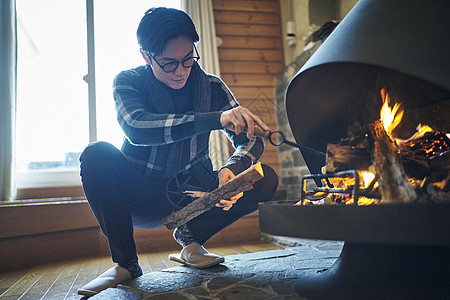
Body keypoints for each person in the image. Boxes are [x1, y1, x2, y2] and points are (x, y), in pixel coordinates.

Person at [77, 7, 278, 296]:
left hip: (189, 191)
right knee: (96, 153)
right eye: (170, 63)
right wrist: (215, 119)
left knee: (265, 178)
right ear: (146, 57)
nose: (182, 71)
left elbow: (252, 139)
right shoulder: (128, 81)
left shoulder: (212, 87)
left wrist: (231, 171)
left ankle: (191, 236)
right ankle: (126, 264)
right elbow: (136, 127)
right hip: (141, 195)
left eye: (188, 59)